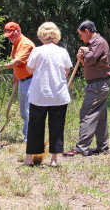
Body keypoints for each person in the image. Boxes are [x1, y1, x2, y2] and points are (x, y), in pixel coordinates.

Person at [23, 22, 72, 167]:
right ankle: (54, 160)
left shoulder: (37, 51)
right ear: (56, 35)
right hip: (58, 95)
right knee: (57, 127)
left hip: (39, 95)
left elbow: (29, 69)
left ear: (41, 35)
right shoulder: (62, 51)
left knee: (35, 127)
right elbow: (67, 71)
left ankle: (28, 159)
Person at [63, 20, 110, 157]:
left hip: (97, 86)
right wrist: (84, 54)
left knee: (87, 114)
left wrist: (83, 54)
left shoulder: (98, 42)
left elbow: (89, 60)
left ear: (87, 31)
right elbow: (88, 63)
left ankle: (81, 148)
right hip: (98, 85)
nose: (81, 38)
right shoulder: (95, 44)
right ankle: (103, 147)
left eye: (81, 35)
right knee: (100, 117)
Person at [1, 22, 35, 142]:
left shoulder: (26, 44)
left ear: (18, 31)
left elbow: (17, 61)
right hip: (22, 81)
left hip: (31, 81)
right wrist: (16, 75)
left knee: (29, 110)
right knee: (23, 112)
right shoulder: (15, 43)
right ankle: (26, 135)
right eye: (8, 36)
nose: (10, 38)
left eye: (11, 35)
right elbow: (14, 60)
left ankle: (30, 137)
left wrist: (0, 67)